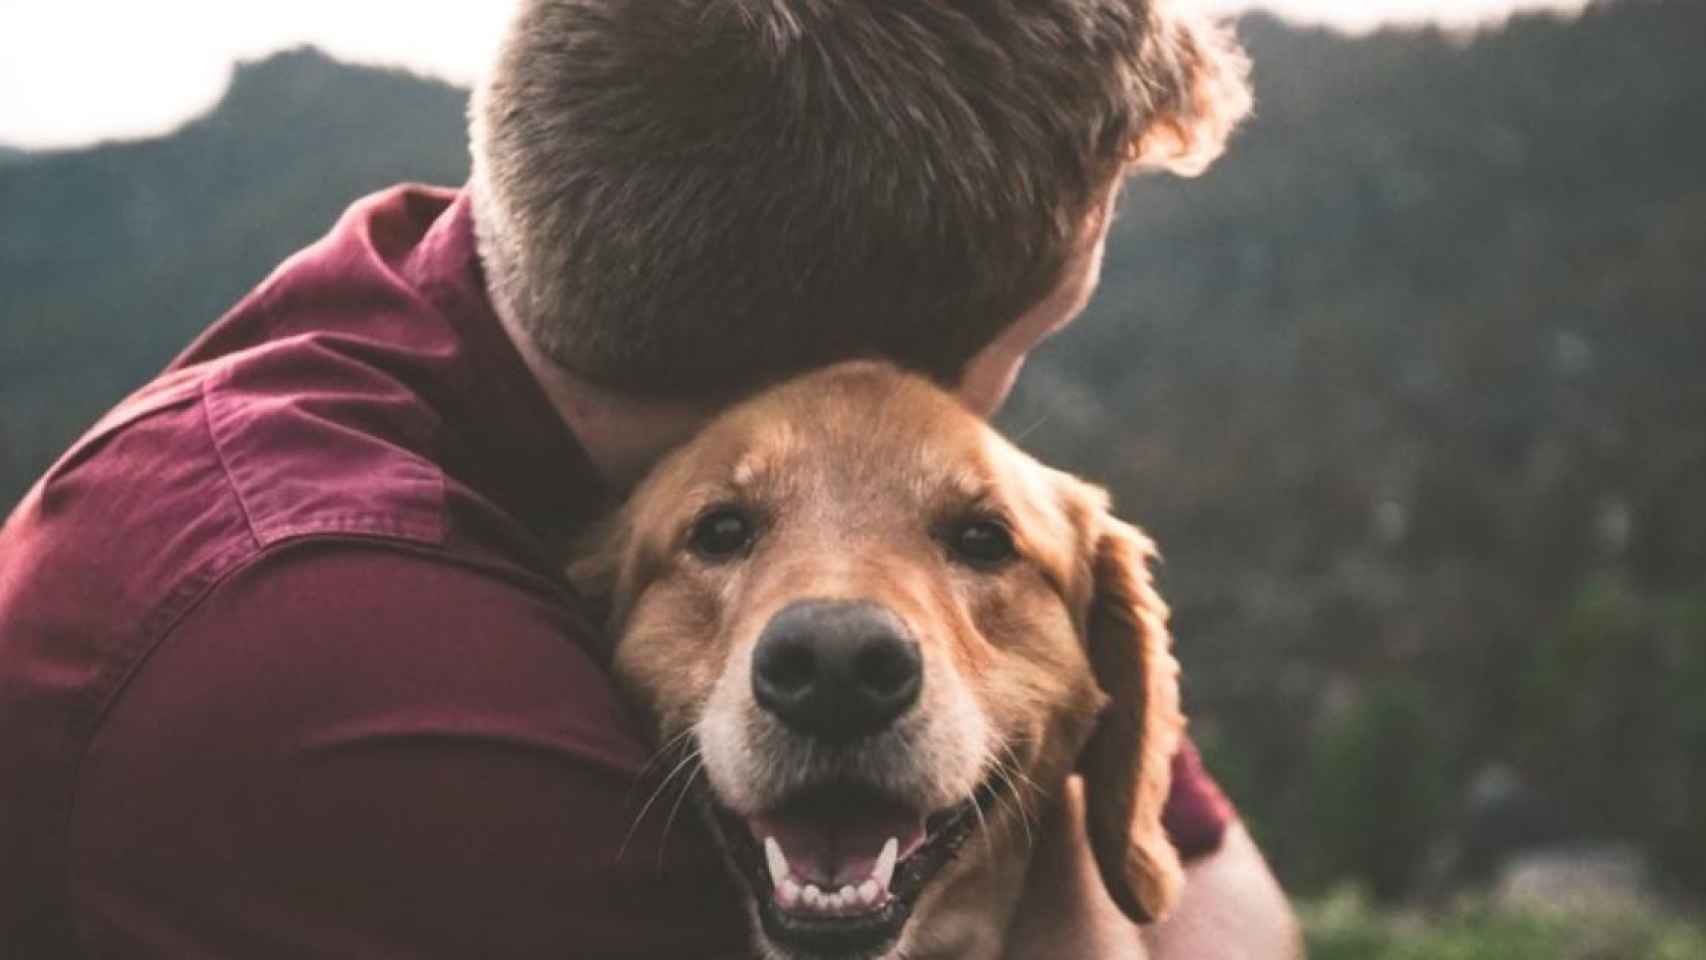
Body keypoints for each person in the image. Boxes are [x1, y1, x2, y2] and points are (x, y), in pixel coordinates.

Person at [0, 0, 1297, 956]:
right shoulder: (364, 675)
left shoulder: (516, 281)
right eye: (1030, 338)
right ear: (853, 371)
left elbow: (1221, 899)